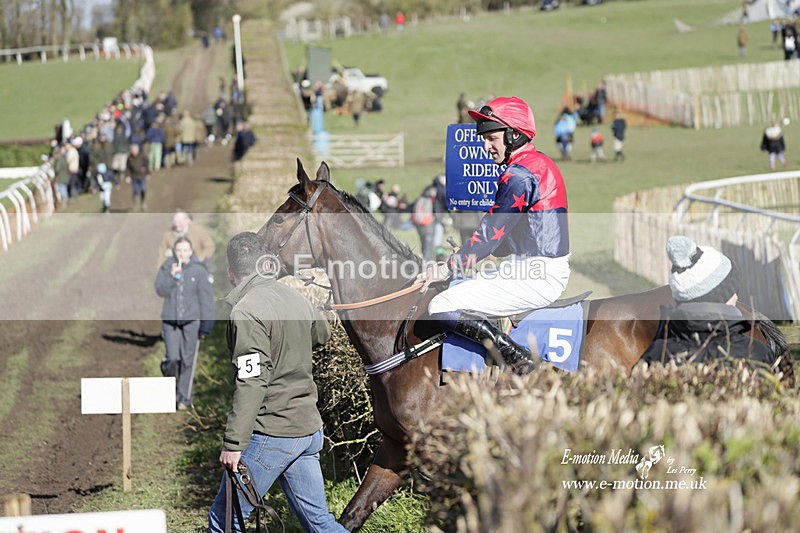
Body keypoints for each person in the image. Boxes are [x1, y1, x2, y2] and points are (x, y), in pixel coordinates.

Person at [418, 96, 570, 375]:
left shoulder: (519, 175)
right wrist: (468, 253)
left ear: (514, 135)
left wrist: (447, 267)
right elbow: (510, 237)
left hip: (536, 275)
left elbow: (490, 235)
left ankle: (522, 362)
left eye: (492, 138)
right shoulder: (537, 163)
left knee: (440, 305)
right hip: (531, 267)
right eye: (484, 139)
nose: (486, 147)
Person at [207, 232, 345, 533]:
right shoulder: (294, 297)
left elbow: (252, 382)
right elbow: (322, 333)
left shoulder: (246, 310)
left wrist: (233, 444)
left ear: (230, 272)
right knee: (320, 523)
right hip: (308, 428)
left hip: (274, 432)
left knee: (223, 521)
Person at [640, 236, 775, 367]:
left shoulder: (655, 355)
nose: (737, 296)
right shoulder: (757, 355)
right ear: (722, 297)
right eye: (734, 289)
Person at [155, 236, 215, 410]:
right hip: (170, 321)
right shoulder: (167, 267)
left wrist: (206, 324)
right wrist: (172, 277)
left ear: (191, 251)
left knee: (188, 361)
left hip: (191, 321)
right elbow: (160, 290)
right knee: (173, 358)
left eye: (185, 250)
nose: (182, 253)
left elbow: (206, 299)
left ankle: (184, 399)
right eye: (178, 250)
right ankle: (170, 391)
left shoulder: (199, 271)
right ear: (174, 251)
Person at [125, 143, 149, 211]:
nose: (134, 152)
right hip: (134, 177)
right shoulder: (129, 158)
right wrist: (128, 176)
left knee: (143, 189)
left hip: (142, 176)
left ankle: (143, 203)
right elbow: (128, 168)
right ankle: (135, 204)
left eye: (135, 150)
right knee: (135, 191)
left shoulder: (142, 156)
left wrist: (147, 173)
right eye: (133, 150)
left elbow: (146, 164)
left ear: (138, 150)